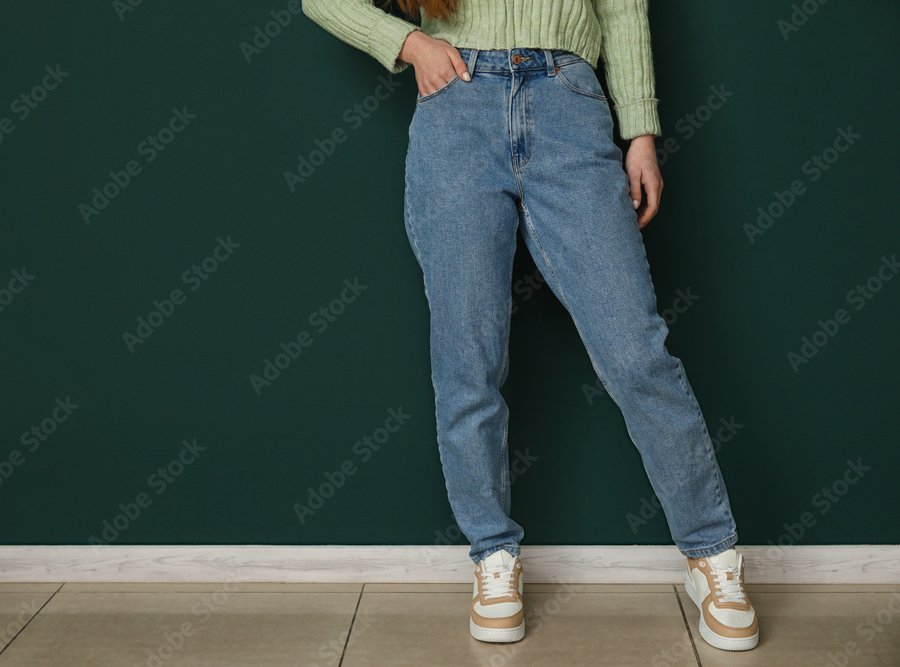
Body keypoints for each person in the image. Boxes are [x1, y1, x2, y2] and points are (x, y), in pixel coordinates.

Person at [301, 0, 760, 652]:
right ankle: (493, 555)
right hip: (456, 106)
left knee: (636, 350)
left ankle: (712, 553)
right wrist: (409, 43)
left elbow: (623, 8)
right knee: (467, 354)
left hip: (569, 102)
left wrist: (642, 132)